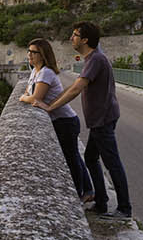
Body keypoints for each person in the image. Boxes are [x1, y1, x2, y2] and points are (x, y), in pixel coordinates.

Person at [37, 21, 131, 220]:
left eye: (75, 35)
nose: (71, 38)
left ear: (85, 40)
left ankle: (124, 209)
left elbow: (75, 88)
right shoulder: (92, 59)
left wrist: (50, 106)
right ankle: (102, 203)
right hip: (100, 120)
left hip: (103, 120)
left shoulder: (96, 59)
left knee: (112, 163)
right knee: (90, 158)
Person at [18, 38, 94, 205]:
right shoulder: (35, 71)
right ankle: (88, 191)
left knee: (71, 158)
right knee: (74, 156)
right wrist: (27, 96)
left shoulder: (46, 72)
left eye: (33, 52)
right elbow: (29, 91)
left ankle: (80, 194)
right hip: (63, 121)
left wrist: (24, 98)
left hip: (65, 122)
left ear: (43, 55)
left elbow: (35, 97)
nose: (29, 55)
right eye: (29, 51)